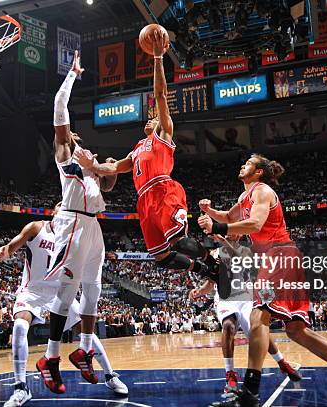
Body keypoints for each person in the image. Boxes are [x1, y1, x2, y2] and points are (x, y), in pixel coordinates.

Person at [197, 155, 327, 406]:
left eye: (248, 163)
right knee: (297, 331)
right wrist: (209, 213)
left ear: (259, 172)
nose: (243, 164)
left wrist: (215, 229)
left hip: (279, 254)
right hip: (281, 258)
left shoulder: (262, 190)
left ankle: (249, 393)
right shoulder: (244, 197)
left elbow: (254, 223)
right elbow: (229, 218)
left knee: (258, 316)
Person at [75, 30, 220, 287]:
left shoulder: (163, 133)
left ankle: (214, 259)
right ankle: (203, 269)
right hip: (144, 200)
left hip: (163, 190)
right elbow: (114, 167)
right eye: (150, 118)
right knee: (161, 256)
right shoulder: (138, 147)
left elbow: (161, 95)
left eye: (154, 117)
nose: (151, 119)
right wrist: (92, 165)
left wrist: (157, 58)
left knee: (179, 241)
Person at [37, 50, 120, 395]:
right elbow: (60, 108)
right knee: (67, 290)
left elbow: (112, 183)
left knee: (94, 289)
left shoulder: (92, 171)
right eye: (72, 135)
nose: (76, 137)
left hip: (94, 227)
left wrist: (104, 167)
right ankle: (50, 358)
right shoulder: (65, 157)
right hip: (71, 224)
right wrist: (71, 75)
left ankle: (83, 349)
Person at [0, 203, 127, 406]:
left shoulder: (74, 238)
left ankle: (110, 376)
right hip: (33, 291)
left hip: (60, 293)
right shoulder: (36, 227)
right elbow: (15, 244)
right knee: (20, 326)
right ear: (54, 212)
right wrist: (5, 251)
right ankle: (21, 388)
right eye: (62, 208)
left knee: (86, 332)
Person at [189, 235, 301, 395]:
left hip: (246, 297)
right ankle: (230, 375)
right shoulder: (214, 254)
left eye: (231, 230)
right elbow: (212, 281)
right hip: (225, 298)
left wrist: (223, 241)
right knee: (228, 326)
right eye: (226, 230)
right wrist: (199, 291)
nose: (228, 233)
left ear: (239, 234)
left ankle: (282, 363)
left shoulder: (247, 251)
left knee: (258, 332)